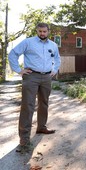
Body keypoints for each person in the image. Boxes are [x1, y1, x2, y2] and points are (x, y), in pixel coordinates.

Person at [8, 23, 61, 153]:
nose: (42, 33)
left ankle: (41, 127)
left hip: (46, 77)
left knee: (44, 103)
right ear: (37, 31)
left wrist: (54, 70)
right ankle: (24, 139)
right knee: (28, 106)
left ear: (48, 31)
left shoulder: (53, 45)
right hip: (31, 76)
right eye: (40, 31)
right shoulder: (28, 42)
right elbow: (13, 54)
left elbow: (57, 59)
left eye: (44, 31)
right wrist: (18, 70)